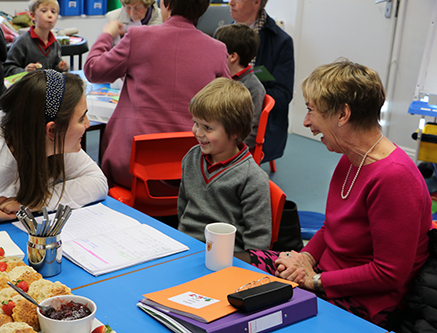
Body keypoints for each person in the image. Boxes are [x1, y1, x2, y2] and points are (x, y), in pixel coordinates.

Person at [237, 60, 432, 331]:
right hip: (324, 277)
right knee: (237, 265)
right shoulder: (351, 157)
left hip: (362, 301)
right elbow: (332, 227)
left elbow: (389, 274)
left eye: (311, 111)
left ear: (343, 114)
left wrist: (314, 281)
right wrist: (303, 260)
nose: (306, 122)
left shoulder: (395, 178)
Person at [0, 70, 108, 231]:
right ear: (52, 130)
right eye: (81, 118)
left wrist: (36, 202)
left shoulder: (44, 140)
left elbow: (97, 181)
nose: (87, 124)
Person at [84, 0, 230, 189]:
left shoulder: (138, 36)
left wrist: (106, 34)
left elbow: (93, 70)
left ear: (166, 4)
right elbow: (228, 103)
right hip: (191, 169)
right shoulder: (217, 49)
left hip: (130, 168)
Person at [178, 77, 272, 252]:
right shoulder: (191, 158)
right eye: (196, 123)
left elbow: (258, 239)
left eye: (207, 128)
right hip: (186, 246)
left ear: (235, 131)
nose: (197, 132)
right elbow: (183, 205)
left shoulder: (252, 177)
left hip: (226, 257)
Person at [229, 0, 294, 163]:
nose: (230, 2)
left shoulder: (280, 41)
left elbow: (283, 95)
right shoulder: (224, 33)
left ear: (256, 2)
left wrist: (247, 95)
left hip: (255, 122)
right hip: (224, 114)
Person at [213, 23, 266, 150]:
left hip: (230, 150)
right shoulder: (218, 78)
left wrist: (228, 150)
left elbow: (251, 131)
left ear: (232, 57)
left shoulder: (253, 88)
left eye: (216, 50)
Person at [3, 0, 69, 76]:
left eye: (53, 12)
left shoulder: (55, 44)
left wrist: (60, 68)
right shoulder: (22, 41)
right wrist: (24, 71)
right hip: (27, 86)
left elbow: (53, 68)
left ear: (57, 18)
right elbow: (7, 68)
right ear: (33, 16)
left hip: (46, 86)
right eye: (44, 11)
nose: (50, 15)